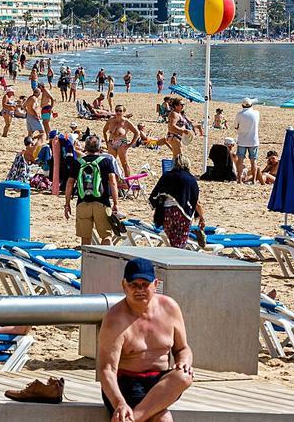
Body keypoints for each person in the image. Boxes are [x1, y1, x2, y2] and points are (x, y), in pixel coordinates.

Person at [96, 258, 193, 422]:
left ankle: (132, 419)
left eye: (145, 284)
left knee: (183, 376)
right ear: (124, 285)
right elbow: (107, 370)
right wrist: (119, 402)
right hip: (126, 385)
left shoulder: (170, 307)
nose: (139, 289)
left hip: (159, 385)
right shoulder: (115, 319)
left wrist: (184, 361)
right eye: (134, 284)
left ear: (155, 284)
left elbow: (182, 349)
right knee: (164, 420)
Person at [63, 136, 120, 246]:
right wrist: (116, 203)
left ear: (85, 148)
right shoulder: (106, 162)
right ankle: (105, 262)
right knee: (106, 236)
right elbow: (113, 182)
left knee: (85, 239)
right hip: (102, 204)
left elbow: (69, 184)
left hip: (83, 203)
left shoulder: (78, 163)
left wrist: (67, 204)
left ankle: (88, 261)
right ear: (99, 148)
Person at [151, 155, 204, 248]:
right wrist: (202, 218)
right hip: (182, 213)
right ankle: (176, 259)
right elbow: (195, 202)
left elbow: (156, 195)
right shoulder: (190, 179)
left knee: (173, 240)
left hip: (166, 213)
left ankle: (172, 257)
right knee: (180, 242)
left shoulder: (166, 176)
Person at [103, 105, 140, 176]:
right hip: (111, 143)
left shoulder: (126, 122)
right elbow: (104, 131)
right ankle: (114, 179)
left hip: (121, 143)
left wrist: (130, 144)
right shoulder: (110, 120)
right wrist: (106, 142)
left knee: (124, 163)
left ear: (124, 112)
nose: (118, 112)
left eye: (120, 111)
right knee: (111, 163)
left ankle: (127, 181)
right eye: (116, 110)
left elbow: (137, 133)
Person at [234, 98, 259, 184]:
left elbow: (236, 126)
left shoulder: (239, 114)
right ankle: (254, 180)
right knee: (253, 161)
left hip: (242, 140)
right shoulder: (256, 113)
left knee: (240, 161)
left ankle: (239, 180)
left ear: (242, 105)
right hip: (253, 140)